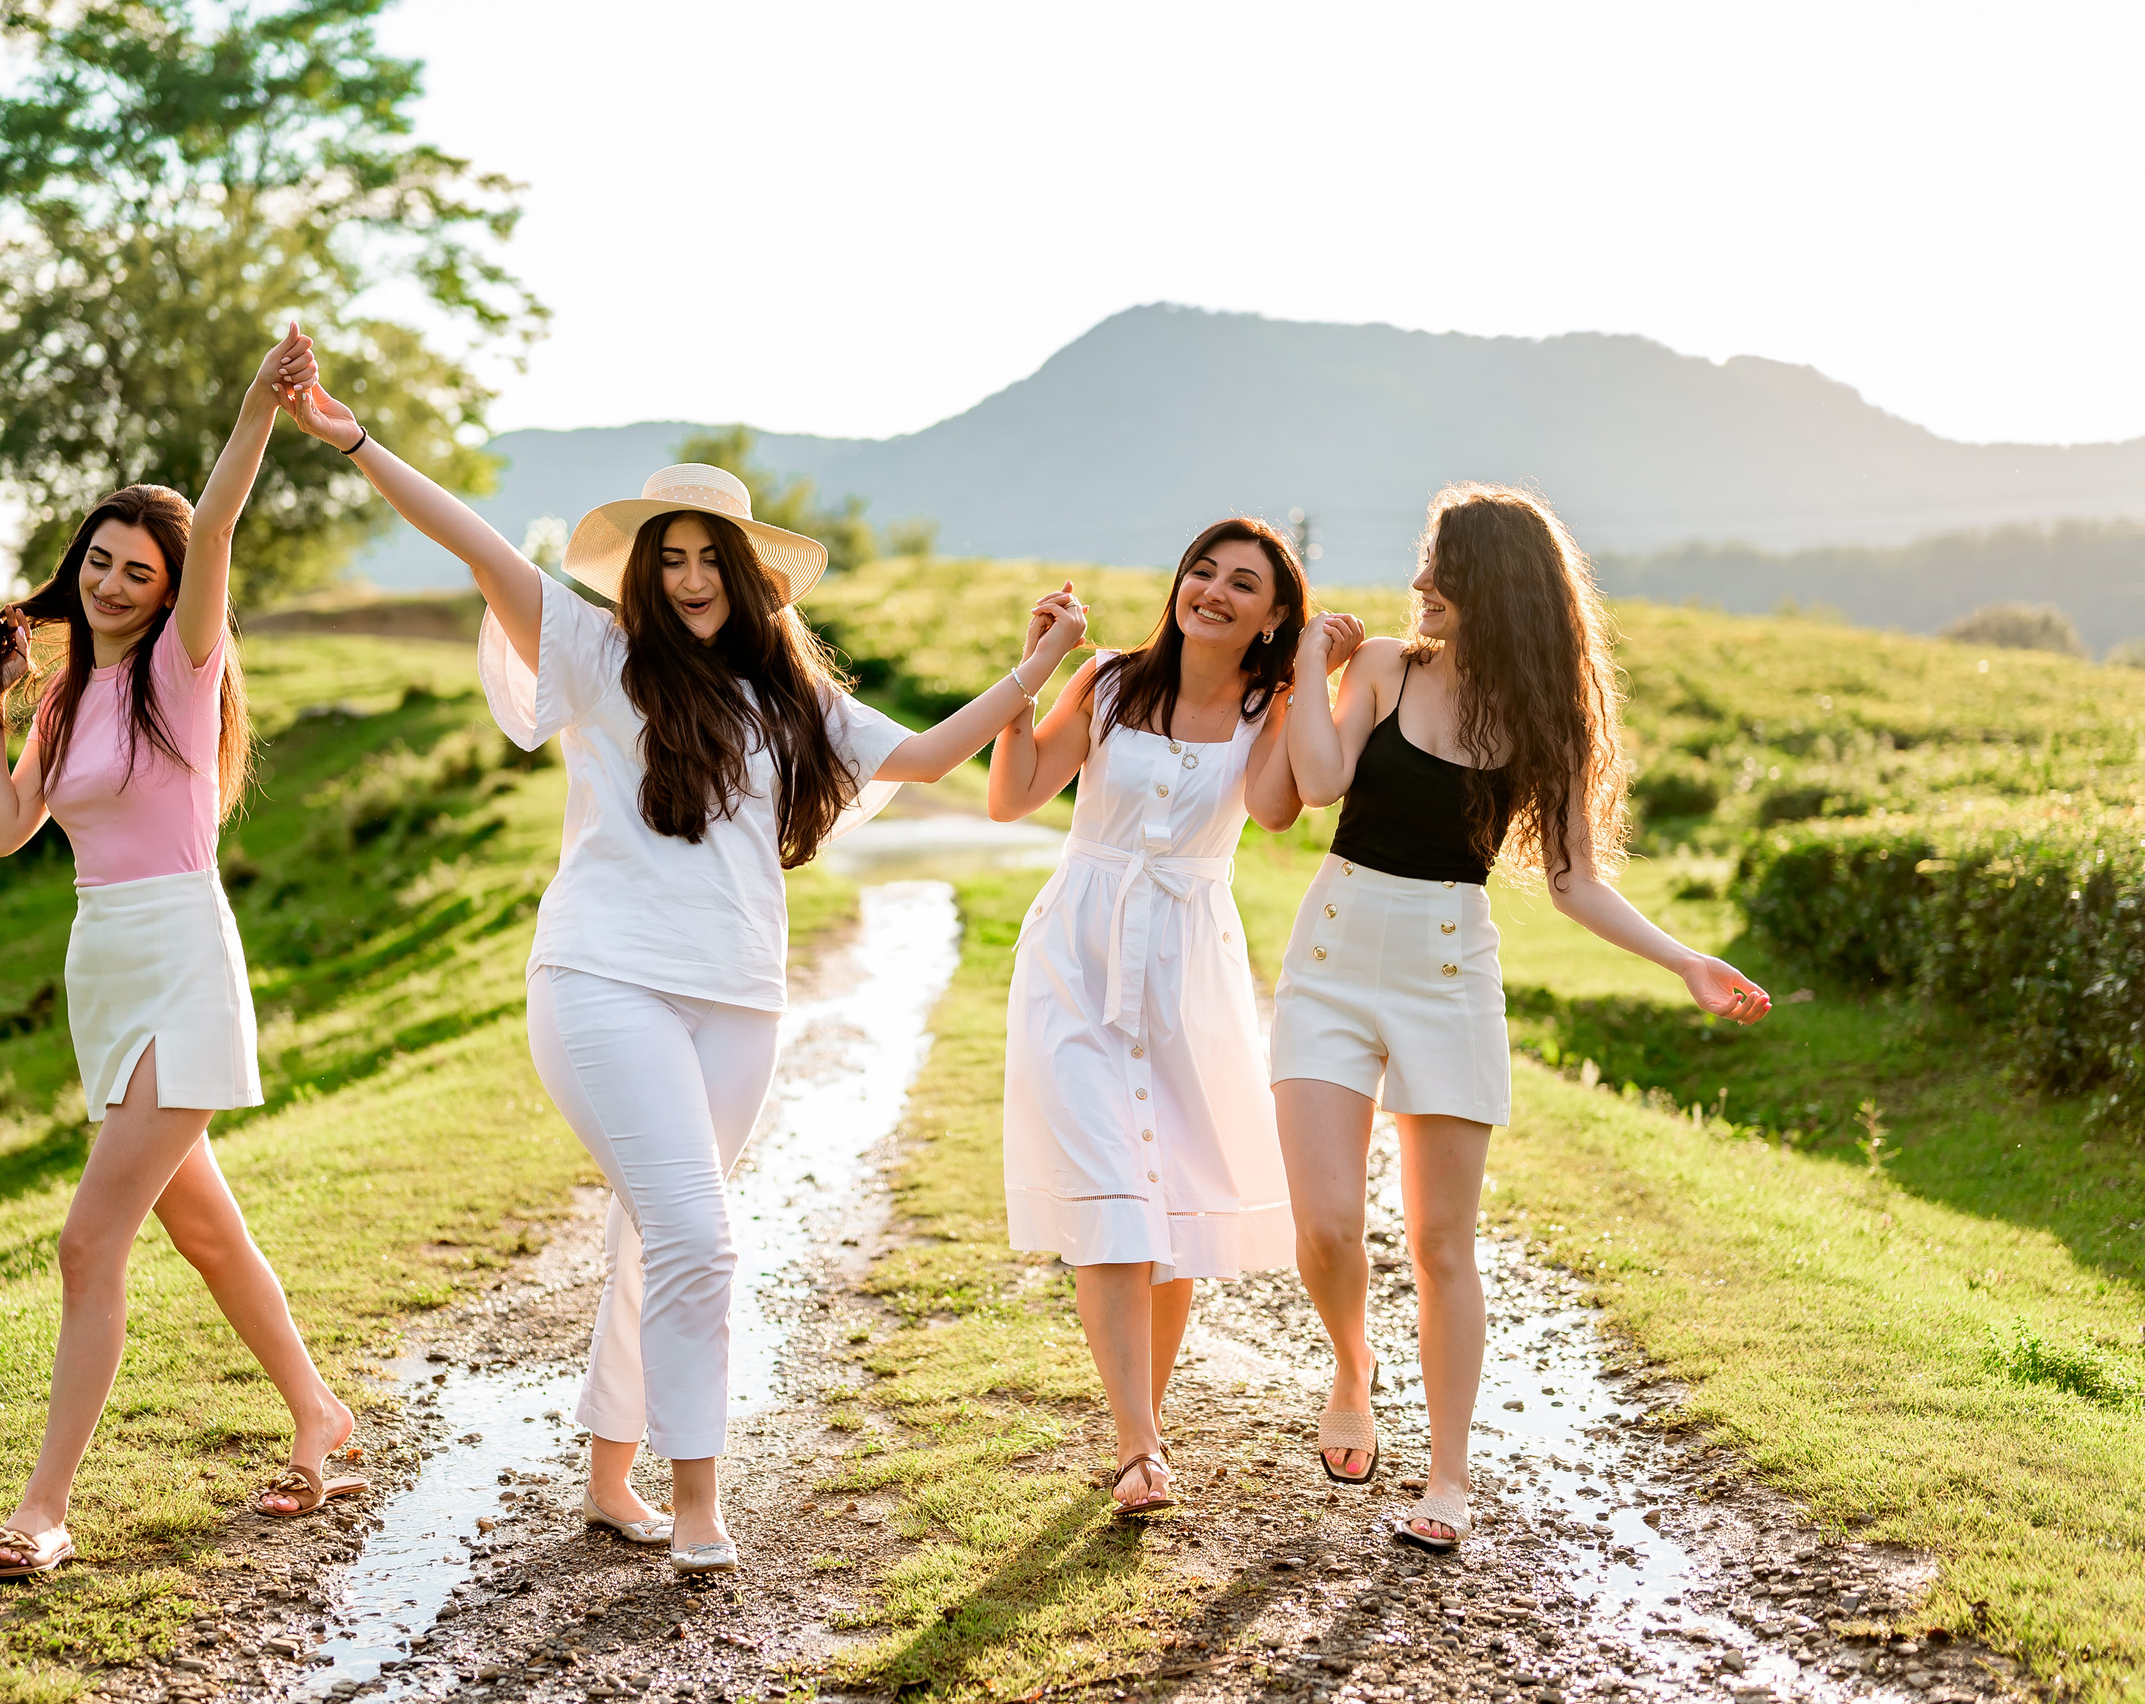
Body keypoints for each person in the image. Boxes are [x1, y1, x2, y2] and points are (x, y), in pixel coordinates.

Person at [269, 335, 1085, 1573]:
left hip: (738, 1004)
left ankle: (608, 1477)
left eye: (713, 558)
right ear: (645, 573)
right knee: (701, 1238)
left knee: (659, 1234)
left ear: (749, 576)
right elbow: (482, 546)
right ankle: (698, 1500)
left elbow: (924, 755)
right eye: (675, 557)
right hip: (602, 983)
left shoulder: (788, 697)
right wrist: (352, 438)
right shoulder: (598, 655)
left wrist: (1038, 666)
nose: (694, 576)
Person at [1275, 483, 1772, 1554]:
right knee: (1322, 1225)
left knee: (1441, 1242)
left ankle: (1447, 1479)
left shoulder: (1544, 720)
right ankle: (1353, 1367)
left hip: (1448, 976)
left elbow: (1573, 881)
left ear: (1491, 584)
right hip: (1329, 955)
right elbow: (1316, 785)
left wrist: (1684, 960)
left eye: (1439, 567)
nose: (1419, 586)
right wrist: (1314, 673)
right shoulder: (1382, 670)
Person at [0, 326, 360, 1581]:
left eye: (138, 567)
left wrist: (255, 408)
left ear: (168, 583)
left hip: (185, 961)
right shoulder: (72, 692)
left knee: (90, 1242)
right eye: (99, 559)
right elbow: (4, 831)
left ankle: (43, 1510)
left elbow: (225, 516)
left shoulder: (186, 672)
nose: (113, 580)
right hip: (104, 971)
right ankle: (321, 1416)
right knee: (205, 1234)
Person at [987, 519, 1308, 1515]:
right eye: (1200, 571)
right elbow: (1012, 796)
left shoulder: (1273, 710)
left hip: (1188, 971)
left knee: (1168, 1207)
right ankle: (1139, 1449)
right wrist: (1034, 677)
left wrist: (1304, 702)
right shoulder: (1114, 682)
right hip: (1075, 958)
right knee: (1114, 1206)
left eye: (1240, 583)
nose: (1210, 591)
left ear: (1273, 616)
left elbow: (1278, 813)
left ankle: (1142, 1433)